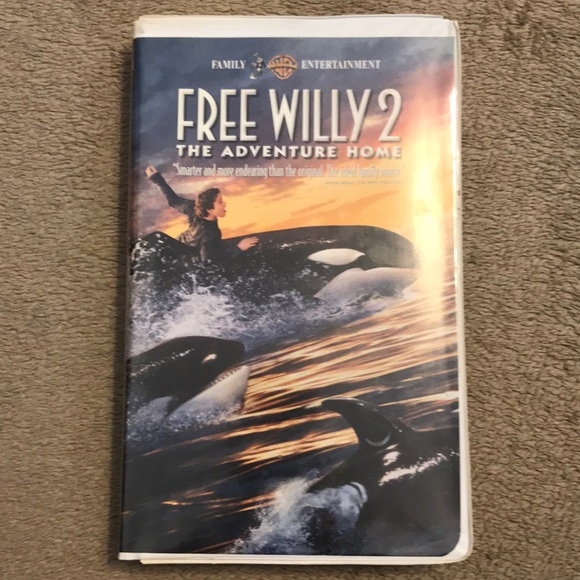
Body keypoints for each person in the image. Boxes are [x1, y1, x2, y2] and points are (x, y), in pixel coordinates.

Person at [145, 166, 258, 264]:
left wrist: (155, 177)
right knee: (156, 236)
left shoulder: (194, 208)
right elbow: (207, 261)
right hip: (177, 254)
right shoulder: (210, 234)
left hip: (180, 249)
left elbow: (173, 201)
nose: (224, 204)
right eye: (220, 202)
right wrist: (238, 248)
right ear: (209, 209)